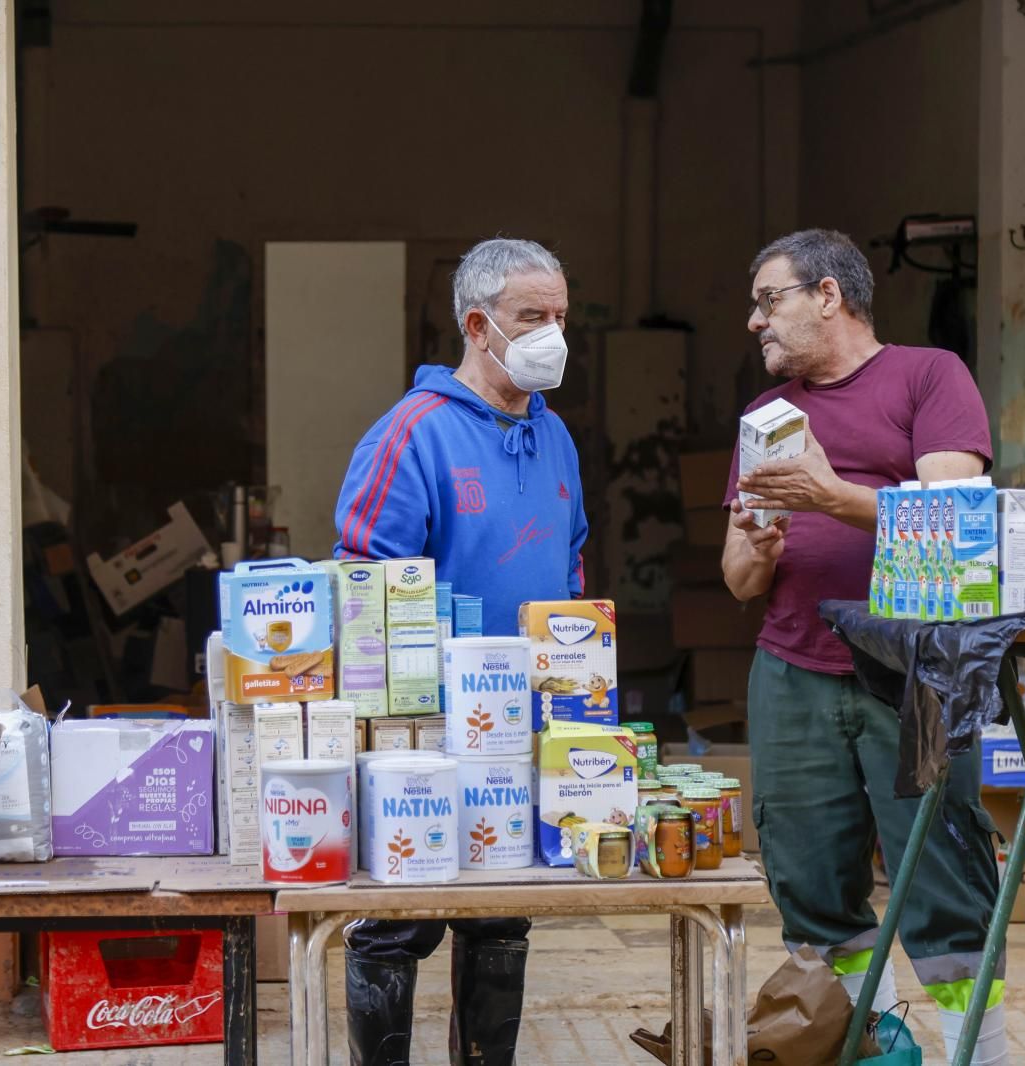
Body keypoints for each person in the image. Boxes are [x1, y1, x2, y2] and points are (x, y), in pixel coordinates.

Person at [723, 229, 1008, 1065]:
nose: (753, 321)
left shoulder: (929, 376)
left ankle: (974, 1058)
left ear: (828, 295)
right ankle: (877, 1051)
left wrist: (830, 497)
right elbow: (740, 579)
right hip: (792, 669)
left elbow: (956, 523)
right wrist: (760, 545)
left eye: (767, 298)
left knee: (947, 891)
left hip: (913, 676)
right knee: (811, 891)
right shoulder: (763, 420)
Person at [332, 237, 588, 1066]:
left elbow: (571, 562)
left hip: (524, 733)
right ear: (479, 326)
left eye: (560, 316)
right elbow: (364, 589)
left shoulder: (556, 439)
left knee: (502, 913)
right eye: (532, 317)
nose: (554, 333)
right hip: (428, 738)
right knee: (400, 920)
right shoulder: (415, 434)